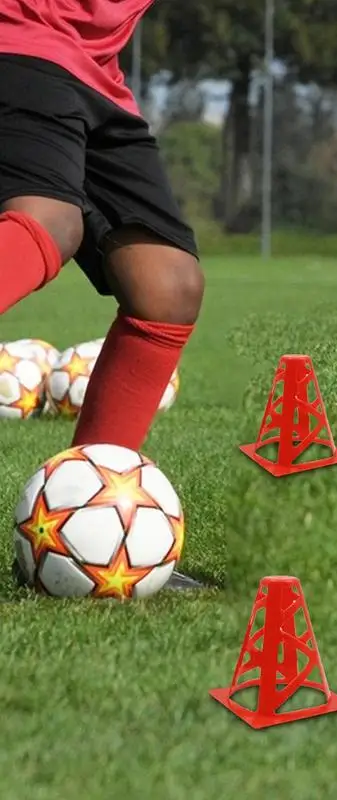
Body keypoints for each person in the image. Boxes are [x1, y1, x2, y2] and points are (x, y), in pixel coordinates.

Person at [0, 1, 205, 589]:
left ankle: (84, 524)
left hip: (98, 74)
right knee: (50, 223)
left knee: (167, 284)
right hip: (22, 40)